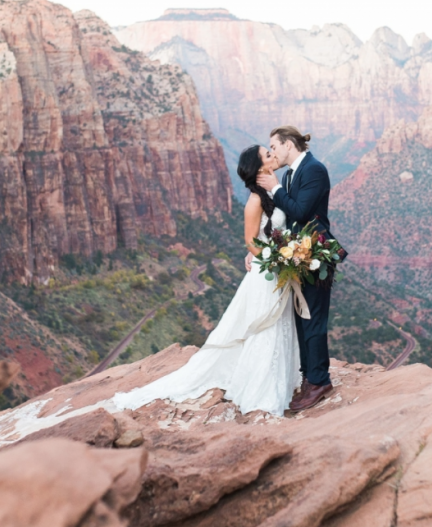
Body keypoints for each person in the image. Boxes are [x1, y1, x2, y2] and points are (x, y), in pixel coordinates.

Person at [109, 145, 300, 416]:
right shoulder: (255, 200)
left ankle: (281, 383)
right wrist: (275, 261)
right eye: (268, 155)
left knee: (278, 323)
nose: (273, 156)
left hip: (277, 269)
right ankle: (262, 391)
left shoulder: (272, 191)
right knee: (264, 327)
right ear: (259, 169)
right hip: (267, 274)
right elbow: (250, 240)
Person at [255, 125, 334, 412]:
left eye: (274, 146)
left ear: (289, 145)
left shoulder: (314, 170)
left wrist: (273, 188)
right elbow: (286, 219)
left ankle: (320, 381)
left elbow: (300, 211)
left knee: (313, 318)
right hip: (295, 256)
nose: (273, 152)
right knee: (302, 317)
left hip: (315, 255)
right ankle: (309, 377)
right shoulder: (290, 174)